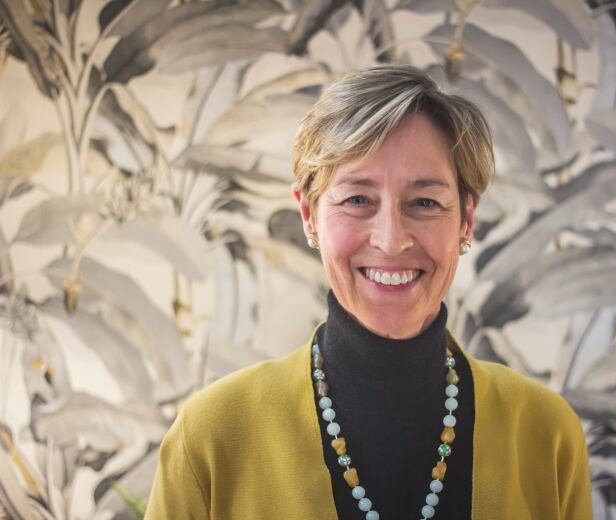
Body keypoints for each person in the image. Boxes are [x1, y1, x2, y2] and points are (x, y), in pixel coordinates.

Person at [145, 65, 592, 519]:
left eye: (424, 202)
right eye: (358, 200)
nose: (391, 239)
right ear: (308, 214)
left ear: (466, 219)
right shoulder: (211, 438)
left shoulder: (547, 435)